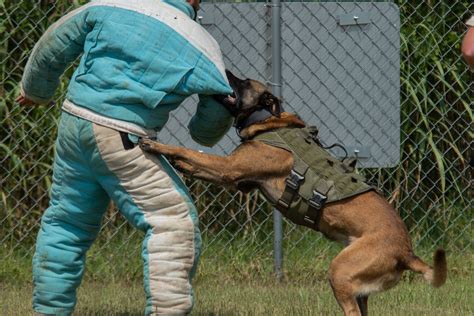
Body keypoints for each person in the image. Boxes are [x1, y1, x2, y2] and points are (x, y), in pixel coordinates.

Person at [16, 0, 234, 314]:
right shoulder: (201, 42)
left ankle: (49, 310)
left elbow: (54, 44)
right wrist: (203, 132)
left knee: (66, 223)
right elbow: (213, 116)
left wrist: (36, 91)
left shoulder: (110, 4)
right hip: (121, 135)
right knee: (173, 223)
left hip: (73, 121)